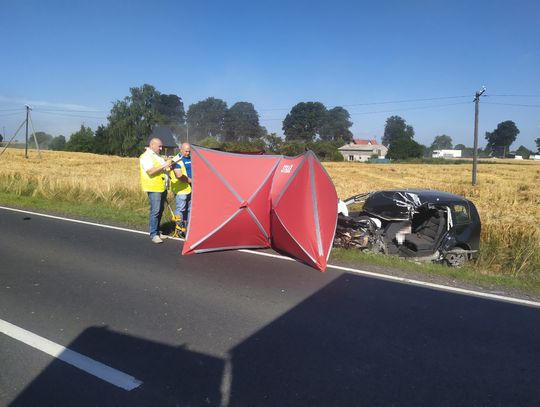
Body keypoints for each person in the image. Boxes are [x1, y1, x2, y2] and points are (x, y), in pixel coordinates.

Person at [139, 138, 172, 243]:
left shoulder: (158, 156)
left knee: (160, 210)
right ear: (152, 145)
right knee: (155, 211)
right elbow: (150, 171)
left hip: (161, 187)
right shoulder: (146, 156)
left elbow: (163, 170)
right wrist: (164, 165)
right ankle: (153, 234)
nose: (161, 148)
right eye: (159, 146)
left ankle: (157, 232)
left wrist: (169, 166)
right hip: (153, 187)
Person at [171, 142, 192, 230]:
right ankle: (179, 228)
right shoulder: (176, 160)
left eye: (189, 151)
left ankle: (188, 228)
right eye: (186, 151)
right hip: (181, 190)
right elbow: (179, 175)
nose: (188, 153)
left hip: (191, 188)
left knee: (190, 209)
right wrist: (192, 181)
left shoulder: (191, 158)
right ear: (181, 150)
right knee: (181, 209)